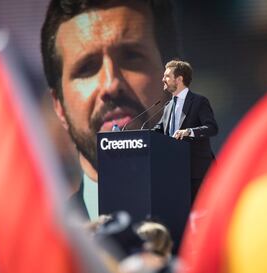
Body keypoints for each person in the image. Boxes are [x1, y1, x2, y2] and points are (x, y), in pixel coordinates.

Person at [40, 0, 178, 218]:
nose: (111, 84)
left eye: (131, 56)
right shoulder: (46, 246)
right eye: (86, 68)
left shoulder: (229, 220)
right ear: (59, 106)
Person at [153, 60, 218, 201]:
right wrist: (140, 136)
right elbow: (158, 130)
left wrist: (188, 131)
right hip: (173, 172)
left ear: (179, 79)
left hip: (196, 172)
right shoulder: (168, 105)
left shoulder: (199, 102)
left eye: (167, 76)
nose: (163, 79)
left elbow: (212, 128)